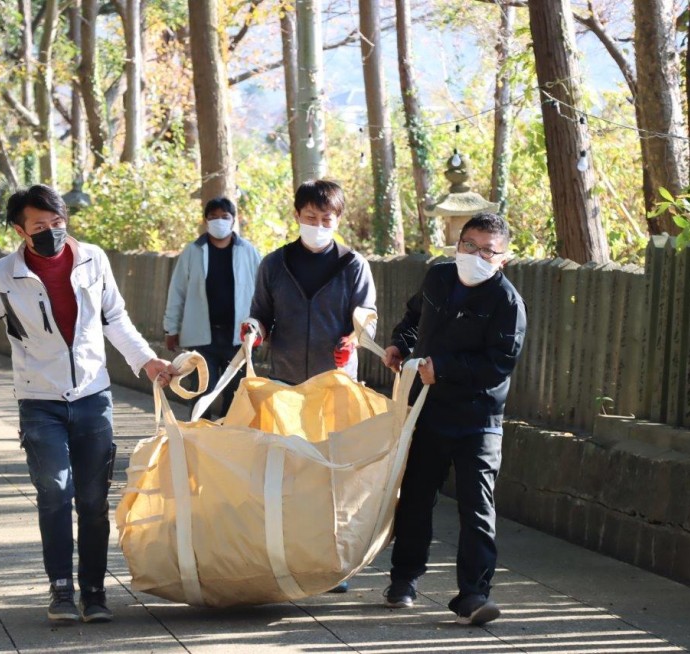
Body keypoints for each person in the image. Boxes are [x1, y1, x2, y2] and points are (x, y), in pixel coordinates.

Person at [0, 185, 177, 624]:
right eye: (40, 226)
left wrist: (147, 362)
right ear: (19, 230)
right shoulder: (2, 277)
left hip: (92, 397)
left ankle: (94, 590)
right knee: (54, 491)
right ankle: (61, 590)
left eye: (57, 223)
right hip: (39, 401)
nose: (52, 232)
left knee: (92, 499)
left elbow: (116, 319)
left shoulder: (93, 260)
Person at [380, 212, 527, 625]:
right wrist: (399, 344)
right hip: (427, 410)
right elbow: (414, 319)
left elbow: (499, 364)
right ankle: (403, 580)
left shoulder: (508, 303)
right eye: (469, 246)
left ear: (503, 259)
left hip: (478, 419)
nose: (476, 256)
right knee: (415, 497)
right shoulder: (438, 278)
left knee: (476, 507)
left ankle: (474, 595)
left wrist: (442, 367)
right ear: (457, 243)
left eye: (487, 251)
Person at [243, 179, 377, 592]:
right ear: (297, 215)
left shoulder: (353, 265)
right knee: (285, 474)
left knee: (330, 475)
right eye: (310, 217)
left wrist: (353, 337)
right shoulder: (274, 264)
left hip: (334, 385)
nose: (318, 224)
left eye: (327, 218)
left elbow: (366, 317)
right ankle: (284, 556)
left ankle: (330, 564)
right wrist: (253, 331)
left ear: (338, 219)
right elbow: (260, 316)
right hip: (283, 386)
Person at [163, 197, 261, 419]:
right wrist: (171, 329)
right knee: (202, 389)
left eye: (224, 217)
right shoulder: (193, 251)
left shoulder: (249, 252)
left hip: (239, 337)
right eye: (213, 217)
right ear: (205, 221)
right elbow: (177, 290)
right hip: (201, 338)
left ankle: (227, 439)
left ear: (233, 220)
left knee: (236, 392)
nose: (219, 222)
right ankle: (199, 437)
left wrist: (264, 327)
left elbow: (262, 292)